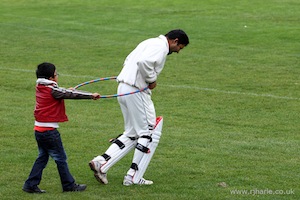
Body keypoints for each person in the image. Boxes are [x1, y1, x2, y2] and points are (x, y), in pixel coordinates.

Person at [89, 29, 189, 186]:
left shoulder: (148, 41)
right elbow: (144, 63)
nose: (178, 51)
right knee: (148, 132)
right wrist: (151, 79)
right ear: (175, 41)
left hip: (123, 87)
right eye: (180, 47)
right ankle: (133, 176)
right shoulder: (161, 47)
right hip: (136, 90)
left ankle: (101, 162)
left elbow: (129, 60)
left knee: (131, 132)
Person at [23, 62, 100, 193]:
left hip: (39, 130)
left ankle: (30, 185)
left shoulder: (40, 86)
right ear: (51, 78)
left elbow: (62, 92)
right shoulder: (52, 90)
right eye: (56, 74)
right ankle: (69, 185)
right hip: (49, 132)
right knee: (61, 158)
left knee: (42, 157)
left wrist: (67, 91)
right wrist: (90, 95)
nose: (57, 75)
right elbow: (67, 94)